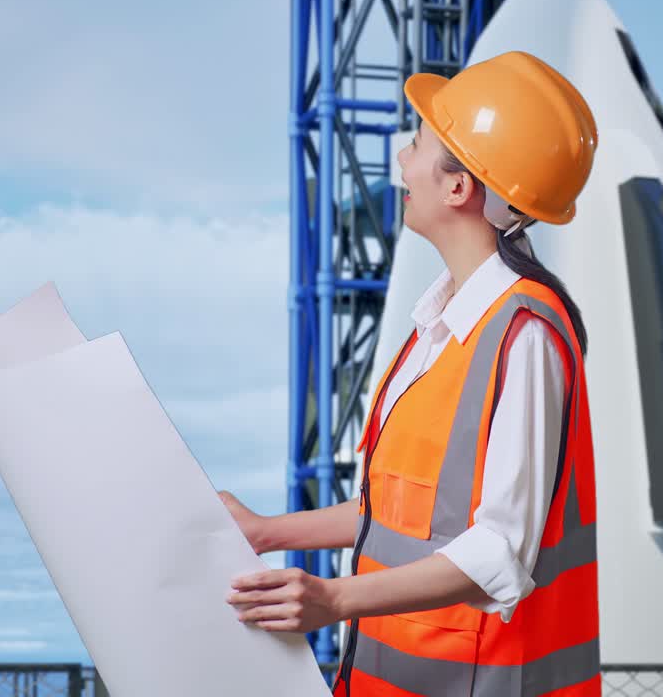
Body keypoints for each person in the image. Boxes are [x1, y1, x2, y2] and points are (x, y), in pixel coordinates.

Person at [222, 50, 601, 696]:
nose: (401, 159)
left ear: (459, 187)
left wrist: (334, 599)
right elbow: (400, 515)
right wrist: (267, 532)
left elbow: (498, 551)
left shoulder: (522, 335)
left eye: (419, 143)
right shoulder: (438, 327)